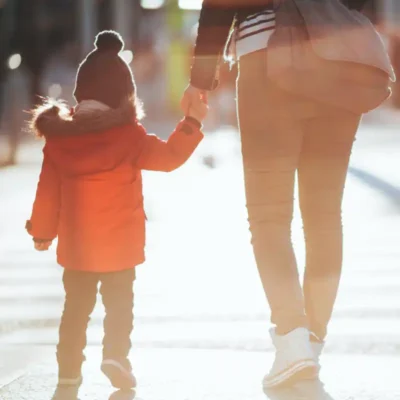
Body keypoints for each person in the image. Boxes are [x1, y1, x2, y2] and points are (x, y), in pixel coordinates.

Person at [182, 0, 369, 389]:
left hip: (267, 56)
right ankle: (309, 342)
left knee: (269, 215)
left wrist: (201, 78)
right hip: (336, 56)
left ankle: (294, 339)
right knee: (324, 215)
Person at [26, 30, 207, 390]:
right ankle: (115, 356)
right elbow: (170, 158)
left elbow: (47, 192)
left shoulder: (61, 140)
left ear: (81, 93)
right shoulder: (130, 137)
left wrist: (43, 231)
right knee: (120, 307)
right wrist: (192, 124)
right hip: (120, 247)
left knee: (74, 311)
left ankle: (68, 371)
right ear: (125, 96)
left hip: (77, 249)